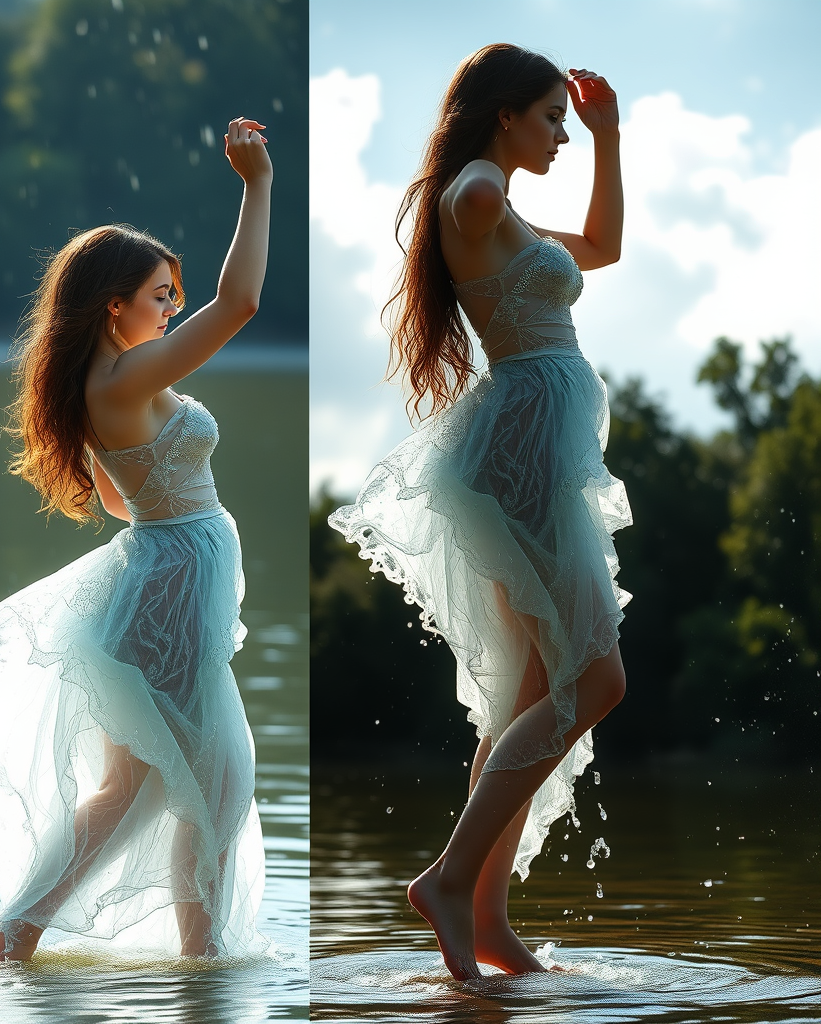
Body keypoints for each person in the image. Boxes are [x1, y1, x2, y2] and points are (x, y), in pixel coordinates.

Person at [0, 116, 273, 963]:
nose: (173, 307)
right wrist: (258, 184)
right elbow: (240, 303)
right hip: (166, 593)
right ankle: (197, 967)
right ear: (113, 304)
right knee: (214, 785)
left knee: (134, 790)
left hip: (160, 584)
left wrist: (188, 538)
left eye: (176, 293)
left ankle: (17, 932)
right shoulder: (126, 379)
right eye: (161, 294)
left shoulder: (112, 385)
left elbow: (124, 499)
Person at [329, 44, 631, 981]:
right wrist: (477, 183)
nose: (562, 135)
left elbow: (608, 247)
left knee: (531, 696)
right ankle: (453, 881)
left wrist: (611, 136)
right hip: (525, 454)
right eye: (552, 119)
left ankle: (488, 919)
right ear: (503, 114)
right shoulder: (475, 194)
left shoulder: (516, 211)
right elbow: (460, 200)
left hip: (538, 449)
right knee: (597, 682)